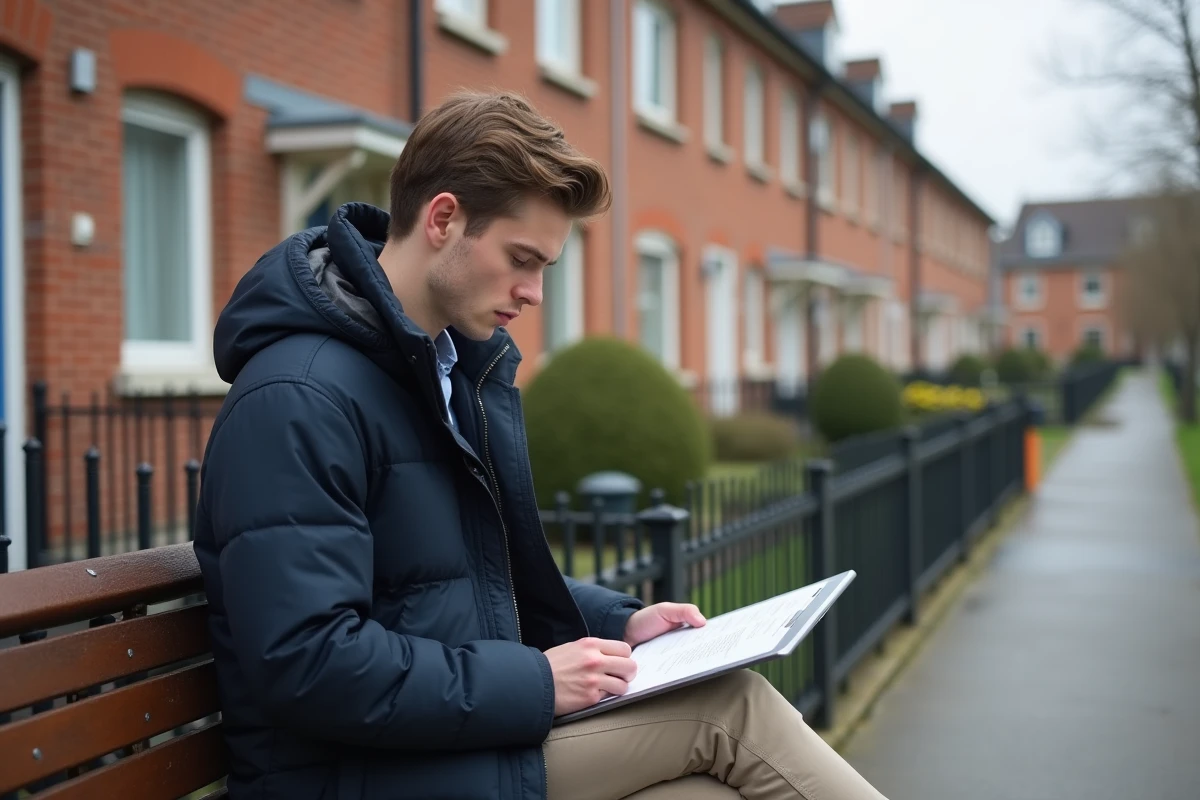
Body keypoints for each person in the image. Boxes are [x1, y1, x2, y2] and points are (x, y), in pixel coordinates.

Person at [192, 89, 890, 800]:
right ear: (443, 219)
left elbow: (460, 585)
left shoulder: (436, 371)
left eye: (545, 268)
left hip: (430, 751)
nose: (533, 293)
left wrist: (620, 622)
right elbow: (308, 663)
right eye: (520, 258)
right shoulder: (298, 397)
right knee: (728, 710)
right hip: (351, 777)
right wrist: (536, 680)